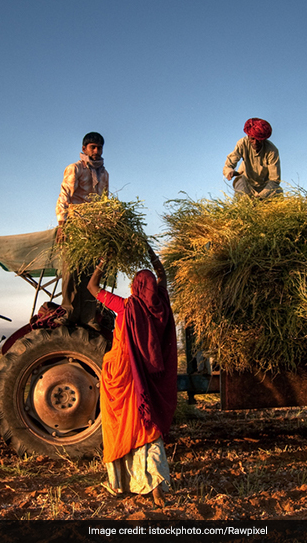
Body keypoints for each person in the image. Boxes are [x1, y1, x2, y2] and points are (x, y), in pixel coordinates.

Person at [87, 248, 177, 508]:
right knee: (147, 424)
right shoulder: (161, 303)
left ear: (137, 287)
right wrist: (150, 253)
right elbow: (162, 276)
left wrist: (104, 259)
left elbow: (93, 287)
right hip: (146, 376)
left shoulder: (126, 306)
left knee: (121, 425)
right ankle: (156, 485)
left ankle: (122, 482)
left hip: (123, 374)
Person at [56, 132, 109, 331]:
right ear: (85, 148)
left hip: (93, 230)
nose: (96, 151)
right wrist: (62, 225)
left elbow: (104, 203)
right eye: (92, 147)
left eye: (99, 148)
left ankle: (88, 316)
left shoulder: (104, 174)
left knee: (90, 273)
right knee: (71, 270)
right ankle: (68, 312)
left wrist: (104, 229)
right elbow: (64, 196)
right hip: (74, 226)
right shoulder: (75, 168)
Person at [223, 118, 282, 199]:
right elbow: (229, 163)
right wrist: (229, 171)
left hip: (265, 185)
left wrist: (261, 196)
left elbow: (274, 179)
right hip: (246, 182)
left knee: (278, 193)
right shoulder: (242, 144)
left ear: (263, 139)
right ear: (248, 136)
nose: (255, 143)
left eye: (258, 140)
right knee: (241, 190)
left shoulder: (272, 150)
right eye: (252, 139)